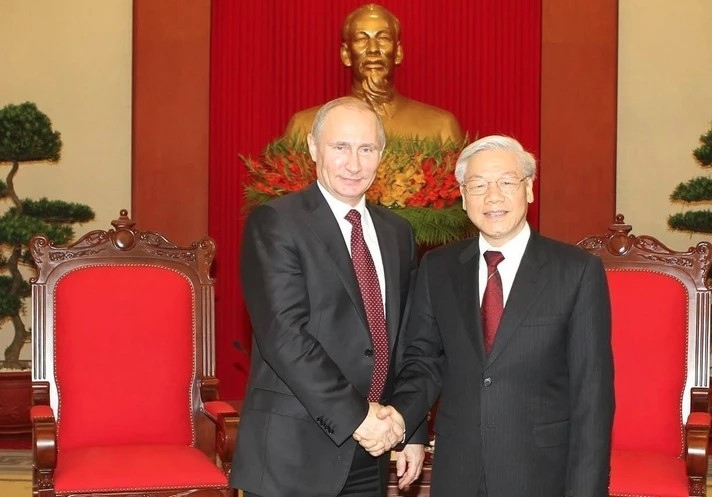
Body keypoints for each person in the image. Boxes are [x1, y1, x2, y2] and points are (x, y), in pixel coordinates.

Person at [378, 135, 615, 497]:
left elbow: (592, 395)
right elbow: (421, 360)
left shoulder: (576, 272)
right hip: (458, 469)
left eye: (506, 182)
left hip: (540, 472)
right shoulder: (438, 268)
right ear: (462, 195)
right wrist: (411, 430)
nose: (492, 197)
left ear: (529, 189)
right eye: (478, 185)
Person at [231, 96, 427, 497]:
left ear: (381, 154)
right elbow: (285, 337)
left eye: (366, 149)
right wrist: (357, 417)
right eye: (340, 147)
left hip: (370, 454)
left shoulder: (398, 233)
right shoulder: (277, 224)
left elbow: (408, 339)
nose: (354, 164)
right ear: (314, 148)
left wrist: (410, 424)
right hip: (294, 456)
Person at [284, 3, 464, 144]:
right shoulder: (305, 127)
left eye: (383, 38)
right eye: (362, 39)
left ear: (398, 52)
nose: (373, 49)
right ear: (346, 54)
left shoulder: (440, 127)